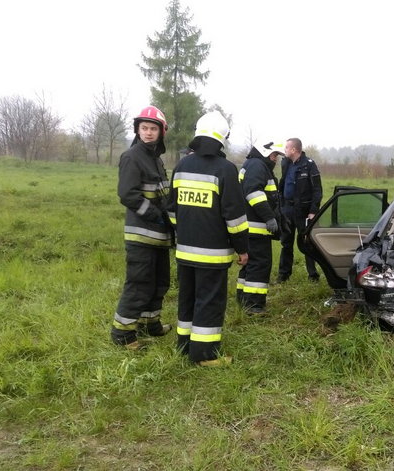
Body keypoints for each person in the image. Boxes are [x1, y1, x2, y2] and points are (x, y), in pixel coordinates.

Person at [169, 110, 248, 366]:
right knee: (209, 300)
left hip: (184, 251)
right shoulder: (225, 169)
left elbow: (171, 210)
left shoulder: (181, 166)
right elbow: (234, 217)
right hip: (212, 254)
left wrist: (182, 234)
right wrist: (242, 249)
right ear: (222, 138)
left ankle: (184, 345)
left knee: (188, 298)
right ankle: (204, 355)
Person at [110, 106, 174, 350]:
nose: (148, 133)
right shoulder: (132, 157)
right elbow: (127, 194)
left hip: (159, 237)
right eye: (144, 128)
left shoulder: (155, 159)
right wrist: (157, 216)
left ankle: (150, 323)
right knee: (139, 283)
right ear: (137, 130)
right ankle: (123, 334)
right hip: (142, 235)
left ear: (161, 132)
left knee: (159, 282)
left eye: (153, 129)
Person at [237, 140, 284, 313]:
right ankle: (254, 306)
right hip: (256, 228)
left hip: (248, 227)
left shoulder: (252, 163)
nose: (275, 159)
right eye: (274, 155)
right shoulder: (258, 166)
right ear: (264, 152)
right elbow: (253, 193)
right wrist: (270, 217)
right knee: (259, 265)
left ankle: (243, 299)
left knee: (249, 265)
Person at [277, 137, 322, 283]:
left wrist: (313, 210)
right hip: (287, 209)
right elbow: (283, 184)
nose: (285, 151)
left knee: (307, 243)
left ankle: (313, 275)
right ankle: (283, 275)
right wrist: (281, 205)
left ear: (294, 149)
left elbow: (317, 189)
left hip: (303, 211)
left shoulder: (309, 165)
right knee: (286, 243)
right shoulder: (285, 163)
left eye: (286, 148)